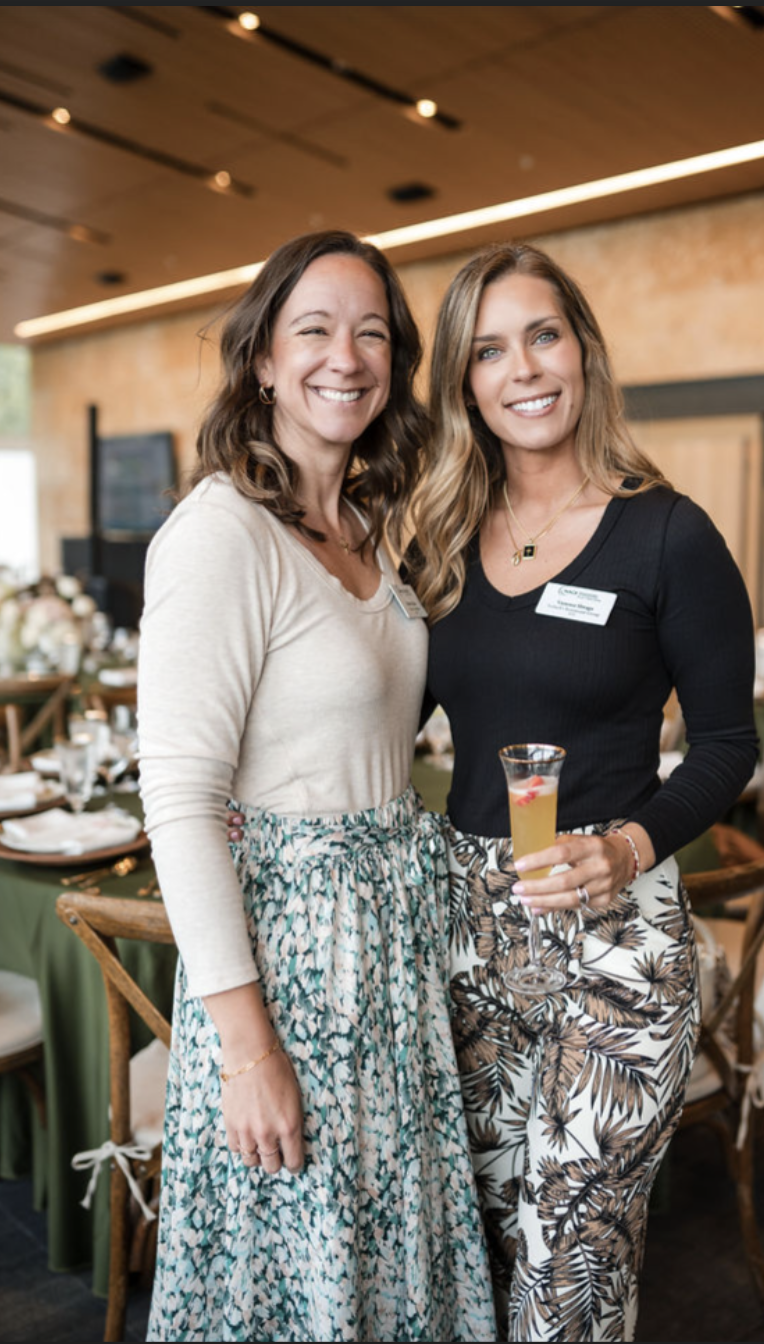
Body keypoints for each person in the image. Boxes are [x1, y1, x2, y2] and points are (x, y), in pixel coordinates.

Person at [137, 230, 496, 1343]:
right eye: (314, 329)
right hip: (287, 976)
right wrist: (250, 1053)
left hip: (387, 964)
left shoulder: (369, 534)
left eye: (372, 332)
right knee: (298, 1276)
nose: (346, 356)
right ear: (260, 360)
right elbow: (181, 803)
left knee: (385, 1264)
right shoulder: (219, 535)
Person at [404, 242, 760, 1342]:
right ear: (464, 383)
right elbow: (385, 720)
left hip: (615, 946)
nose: (523, 369)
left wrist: (630, 846)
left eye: (543, 335)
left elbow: (727, 744)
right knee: (491, 1241)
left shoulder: (669, 532)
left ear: (584, 350)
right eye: (489, 350)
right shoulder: (440, 542)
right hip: (465, 937)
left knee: (570, 1277)